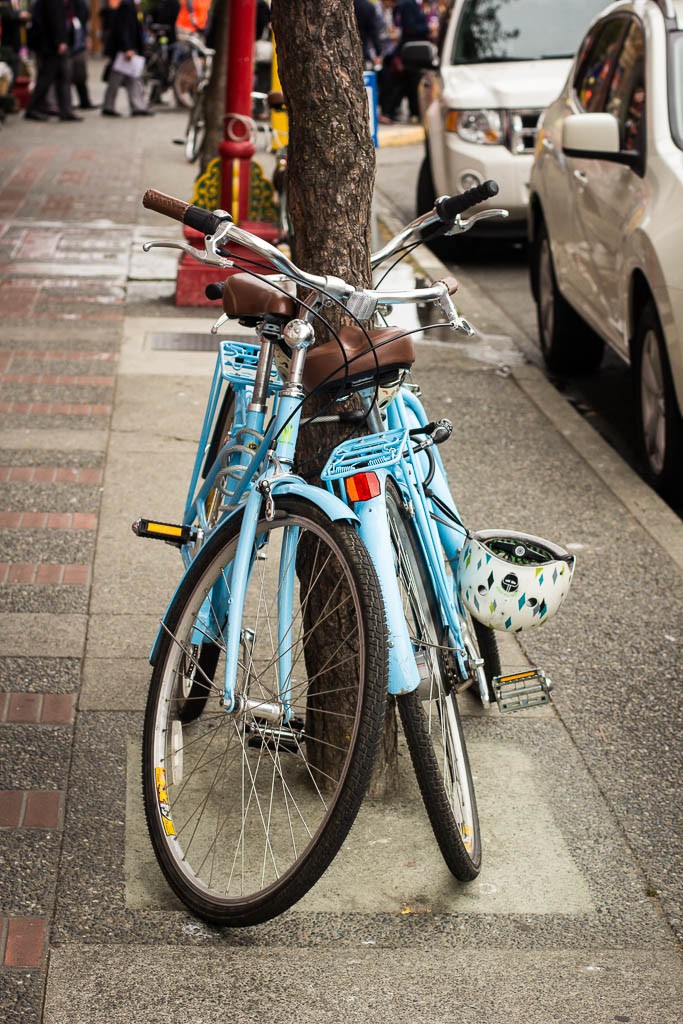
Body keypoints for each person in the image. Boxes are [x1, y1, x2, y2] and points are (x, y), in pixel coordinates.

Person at [24, 0, 82, 121]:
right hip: (52, 46)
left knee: (63, 77)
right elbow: (54, 19)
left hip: (53, 44)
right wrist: (60, 41)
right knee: (46, 78)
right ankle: (33, 108)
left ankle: (65, 111)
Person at [101, 0, 152, 116]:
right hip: (124, 51)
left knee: (132, 78)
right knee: (117, 78)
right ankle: (110, 106)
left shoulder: (130, 5)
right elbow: (123, 28)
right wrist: (127, 48)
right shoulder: (127, 5)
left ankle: (136, 106)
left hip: (126, 49)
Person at [70, 0, 94, 109]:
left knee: (80, 74)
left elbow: (85, 18)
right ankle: (68, 103)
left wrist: (86, 37)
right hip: (73, 43)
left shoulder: (81, 3)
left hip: (79, 41)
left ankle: (84, 101)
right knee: (68, 75)